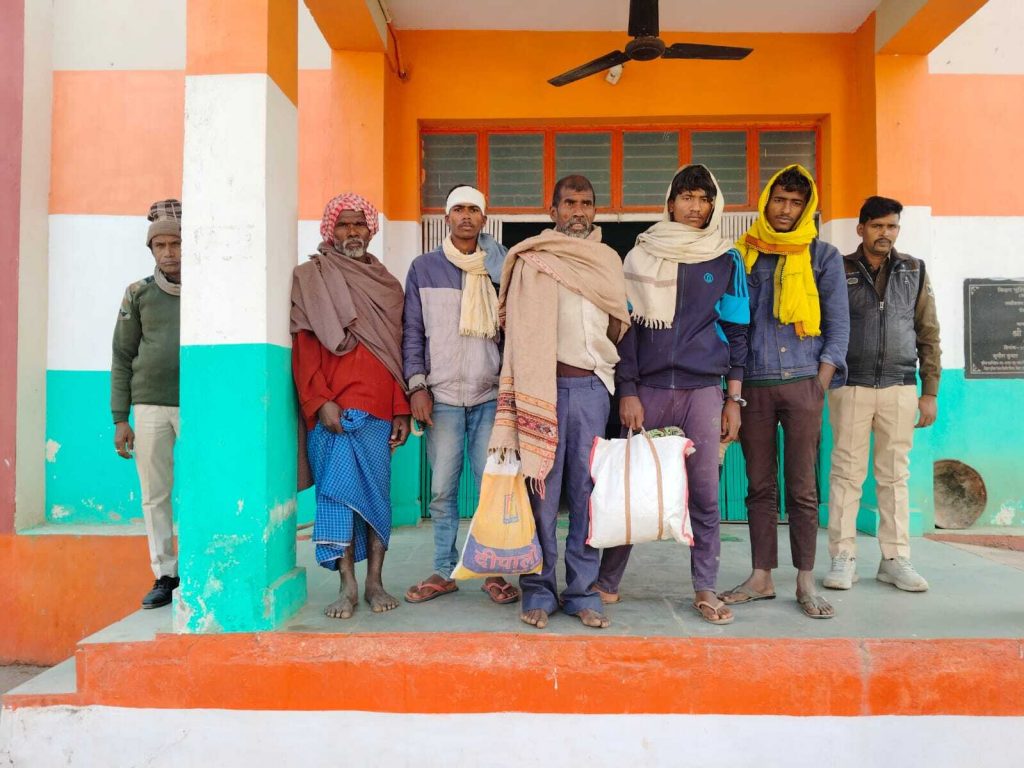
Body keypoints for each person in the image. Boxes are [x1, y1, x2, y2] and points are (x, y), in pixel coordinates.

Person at [596, 164, 750, 625]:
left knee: (704, 494)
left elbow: (737, 332)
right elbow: (625, 331)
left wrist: (733, 398)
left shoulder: (726, 259)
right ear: (671, 202)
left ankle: (705, 588)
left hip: (703, 391)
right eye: (687, 197)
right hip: (648, 390)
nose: (695, 207)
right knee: (631, 486)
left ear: (713, 205)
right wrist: (628, 390)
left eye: (703, 199)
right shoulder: (638, 256)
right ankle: (607, 582)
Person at [490, 174, 630, 630]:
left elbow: (618, 320)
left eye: (586, 203)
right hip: (542, 389)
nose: (578, 211)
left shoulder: (608, 260)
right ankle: (538, 589)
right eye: (569, 203)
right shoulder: (533, 258)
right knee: (541, 495)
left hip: (592, 390)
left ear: (595, 210)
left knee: (587, 495)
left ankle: (582, 592)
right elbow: (513, 327)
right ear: (553, 211)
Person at [719, 165, 850, 619]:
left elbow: (838, 326)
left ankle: (805, 580)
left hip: (803, 384)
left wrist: (819, 384)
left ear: (806, 208)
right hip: (754, 386)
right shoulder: (741, 254)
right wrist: (732, 390)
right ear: (765, 201)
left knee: (802, 488)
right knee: (758, 486)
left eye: (796, 203)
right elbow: (732, 325)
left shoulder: (823, 256)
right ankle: (761, 577)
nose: (786, 210)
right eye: (779, 200)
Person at [291, 192, 411, 619]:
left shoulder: (388, 286)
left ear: (371, 230)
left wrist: (401, 407)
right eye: (343, 224)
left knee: (377, 498)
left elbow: (396, 353)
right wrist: (320, 401)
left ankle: (375, 582)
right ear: (330, 231)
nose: (352, 232)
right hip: (334, 414)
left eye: (359, 224)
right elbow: (304, 348)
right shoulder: (312, 278)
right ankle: (347, 586)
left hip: (378, 411)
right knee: (337, 499)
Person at [402, 185, 520, 606]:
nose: (466, 216)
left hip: (489, 395)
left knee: (492, 488)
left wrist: (509, 390)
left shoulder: (502, 267)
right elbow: (413, 331)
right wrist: (417, 385)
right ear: (446, 217)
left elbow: (514, 331)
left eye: (473, 209)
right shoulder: (424, 268)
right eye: (458, 209)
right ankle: (443, 569)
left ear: (484, 218)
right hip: (443, 397)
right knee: (442, 490)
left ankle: (492, 570)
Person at [823, 196, 940, 592]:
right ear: (861, 229)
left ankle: (895, 559)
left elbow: (929, 334)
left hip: (900, 386)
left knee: (894, 477)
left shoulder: (914, 270)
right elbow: (825, 326)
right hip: (850, 385)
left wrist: (930, 391)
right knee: (846, 474)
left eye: (891, 226)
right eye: (877, 226)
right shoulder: (839, 269)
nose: (885, 233)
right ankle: (843, 558)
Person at [111, 199, 183, 609]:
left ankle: (205, 562)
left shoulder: (210, 291)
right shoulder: (138, 293)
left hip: (199, 405)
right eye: (161, 246)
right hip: (150, 405)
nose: (169, 253)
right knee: (155, 493)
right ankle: (165, 575)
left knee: (204, 484)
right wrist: (120, 418)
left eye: (176, 243)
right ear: (152, 249)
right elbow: (122, 355)